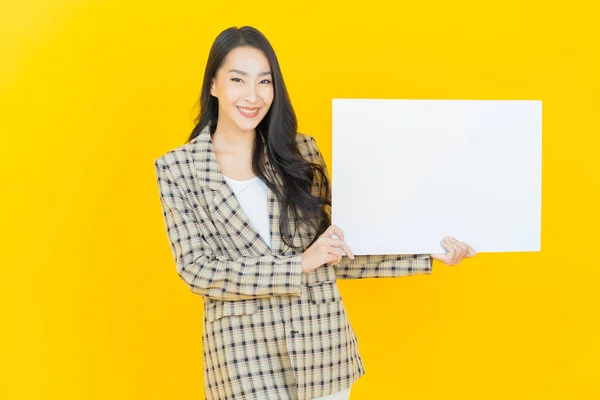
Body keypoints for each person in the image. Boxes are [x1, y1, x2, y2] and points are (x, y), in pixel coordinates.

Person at [154, 25, 476, 400]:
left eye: (265, 81)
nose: (253, 96)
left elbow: (334, 250)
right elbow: (198, 269)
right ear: (213, 84)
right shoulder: (178, 168)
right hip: (243, 356)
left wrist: (424, 250)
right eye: (238, 79)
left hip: (321, 347)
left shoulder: (300, 152)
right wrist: (297, 265)